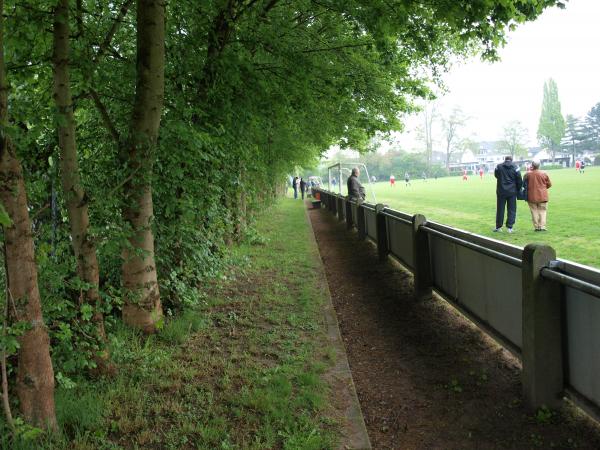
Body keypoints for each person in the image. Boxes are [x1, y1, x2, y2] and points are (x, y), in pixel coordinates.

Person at [494, 155, 522, 233]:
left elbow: (496, 175)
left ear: (505, 159)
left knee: (500, 209)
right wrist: (518, 188)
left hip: (501, 191)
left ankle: (498, 227)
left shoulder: (498, 166)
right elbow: (519, 179)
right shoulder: (515, 167)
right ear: (511, 160)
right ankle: (510, 227)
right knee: (512, 209)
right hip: (512, 191)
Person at [524, 159, 552, 232]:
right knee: (542, 211)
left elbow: (524, 184)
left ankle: (536, 227)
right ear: (539, 165)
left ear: (532, 166)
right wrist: (543, 189)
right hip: (543, 195)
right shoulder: (544, 173)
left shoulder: (527, 174)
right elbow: (549, 184)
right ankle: (542, 226)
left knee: (534, 211)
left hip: (531, 195)